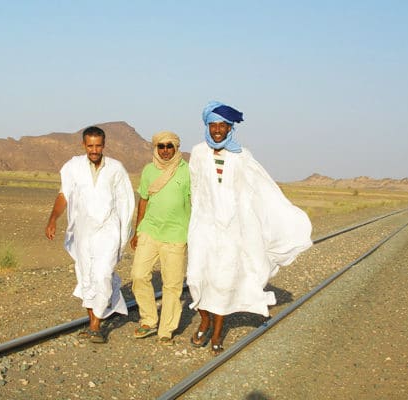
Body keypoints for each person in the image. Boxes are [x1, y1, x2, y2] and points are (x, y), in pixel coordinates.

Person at [187, 101, 312, 355]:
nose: (218, 130)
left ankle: (217, 332)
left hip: (232, 230)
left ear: (230, 128)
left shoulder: (242, 155)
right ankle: (205, 319)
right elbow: (196, 190)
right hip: (203, 227)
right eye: (213, 125)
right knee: (196, 277)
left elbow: (259, 188)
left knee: (223, 281)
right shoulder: (198, 153)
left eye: (222, 125)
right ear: (207, 126)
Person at [45, 126, 135, 343]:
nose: (94, 150)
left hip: (109, 230)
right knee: (86, 276)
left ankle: (96, 325)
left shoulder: (116, 168)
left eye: (98, 145)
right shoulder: (73, 167)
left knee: (103, 274)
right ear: (84, 145)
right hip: (84, 231)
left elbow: (126, 201)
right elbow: (64, 195)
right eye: (90, 145)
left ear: (104, 145)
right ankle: (93, 321)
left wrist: (126, 233)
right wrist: (53, 219)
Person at [130, 131, 191, 345]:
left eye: (169, 146)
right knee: (138, 275)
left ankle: (166, 329)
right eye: (161, 146)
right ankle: (148, 319)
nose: (165, 150)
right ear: (156, 148)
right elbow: (143, 200)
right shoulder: (148, 170)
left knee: (172, 285)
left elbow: (193, 204)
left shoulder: (187, 172)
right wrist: (137, 230)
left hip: (175, 235)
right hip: (150, 231)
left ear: (176, 148)